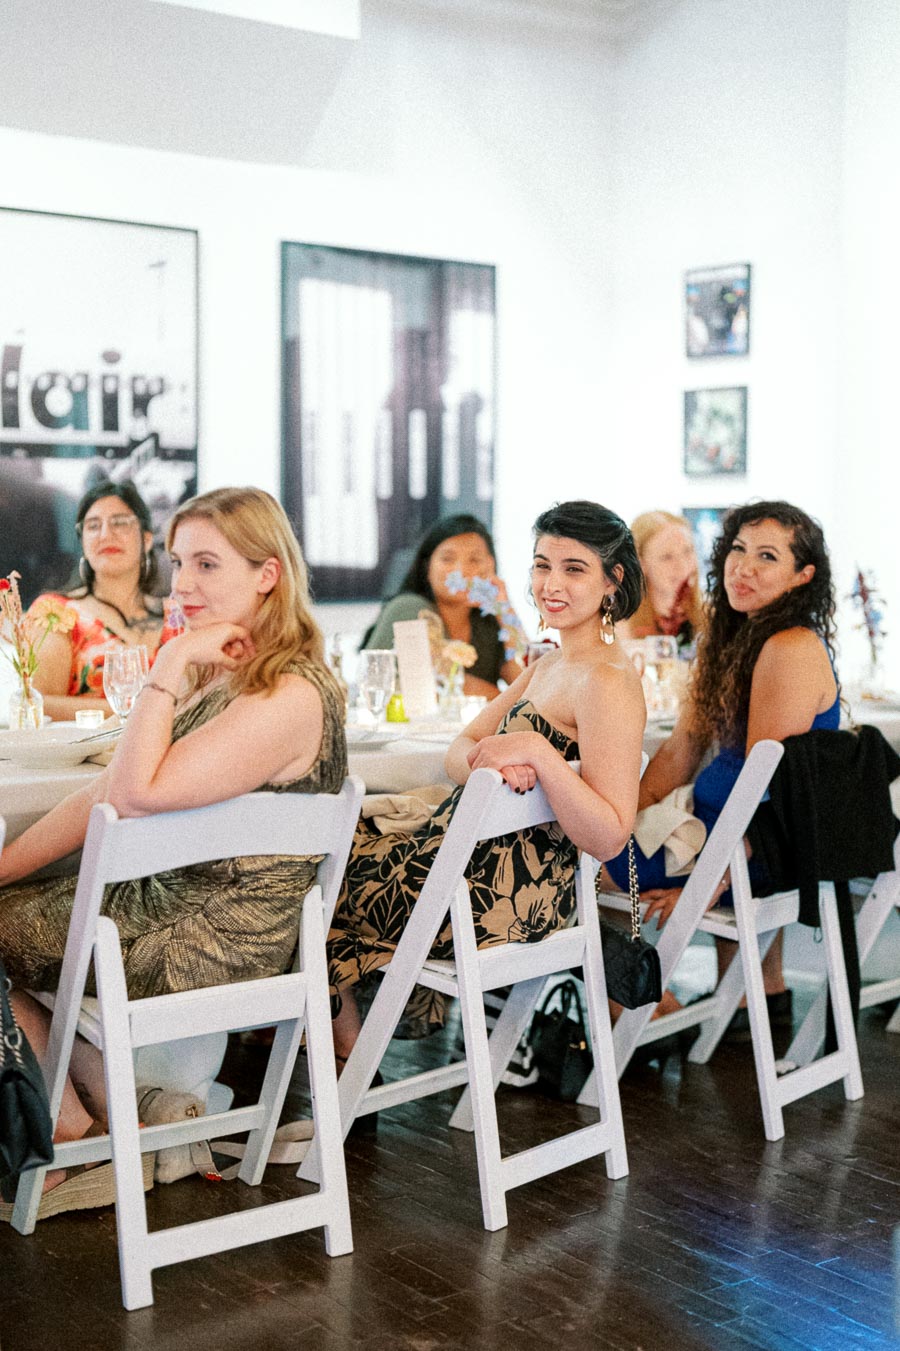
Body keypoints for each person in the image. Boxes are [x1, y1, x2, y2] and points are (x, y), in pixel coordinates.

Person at [0, 486, 347, 1216]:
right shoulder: (241, 676)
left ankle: (68, 1144)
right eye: (179, 561)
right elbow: (105, 794)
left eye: (207, 564)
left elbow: (127, 792)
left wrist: (170, 663)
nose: (182, 583)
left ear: (267, 574)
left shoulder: (287, 692)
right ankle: (128, 1108)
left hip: (211, 938)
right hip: (184, 912)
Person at [329, 499, 647, 1056]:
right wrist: (499, 763)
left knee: (312, 879)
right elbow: (461, 749)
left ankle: (344, 1074)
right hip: (467, 867)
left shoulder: (607, 680)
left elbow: (612, 834)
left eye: (574, 569)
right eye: (542, 564)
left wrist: (540, 758)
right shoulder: (551, 665)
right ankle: (350, 1070)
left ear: (612, 581)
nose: (551, 583)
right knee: (325, 852)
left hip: (503, 898)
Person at [605, 500, 840, 1026]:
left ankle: (643, 1012)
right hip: (707, 833)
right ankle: (651, 1007)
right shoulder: (734, 638)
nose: (744, 566)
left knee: (578, 873)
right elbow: (681, 749)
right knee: (590, 835)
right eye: (737, 549)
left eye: (766, 556)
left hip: (748, 852)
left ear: (803, 576)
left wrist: (710, 881)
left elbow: (764, 789)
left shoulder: (789, 647)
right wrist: (622, 811)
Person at [28, 480, 177, 721]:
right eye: (93, 526)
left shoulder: (177, 615)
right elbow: (38, 703)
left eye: (120, 523)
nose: (106, 534)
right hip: (89, 757)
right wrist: (137, 712)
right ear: (83, 542)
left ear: (147, 539)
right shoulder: (57, 612)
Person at [362, 514, 524, 698]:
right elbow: (447, 681)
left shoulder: (488, 624)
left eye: (475, 560)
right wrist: (505, 701)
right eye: (448, 559)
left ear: (490, 565)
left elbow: (528, 682)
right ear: (427, 567)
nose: (461, 571)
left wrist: (504, 609)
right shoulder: (409, 608)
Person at [617, 510, 703, 647]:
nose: (683, 566)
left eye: (688, 551)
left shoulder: (714, 616)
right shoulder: (619, 626)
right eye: (667, 557)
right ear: (640, 563)